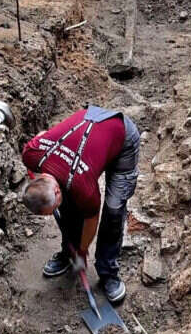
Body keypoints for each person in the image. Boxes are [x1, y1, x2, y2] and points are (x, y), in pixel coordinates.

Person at [20, 105, 140, 303]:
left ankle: (108, 272)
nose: (52, 216)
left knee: (113, 210)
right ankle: (68, 254)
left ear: (56, 190)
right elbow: (43, 134)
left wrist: (83, 251)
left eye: (51, 210)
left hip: (121, 137)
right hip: (88, 133)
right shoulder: (32, 154)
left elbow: (91, 220)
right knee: (68, 206)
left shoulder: (82, 186)